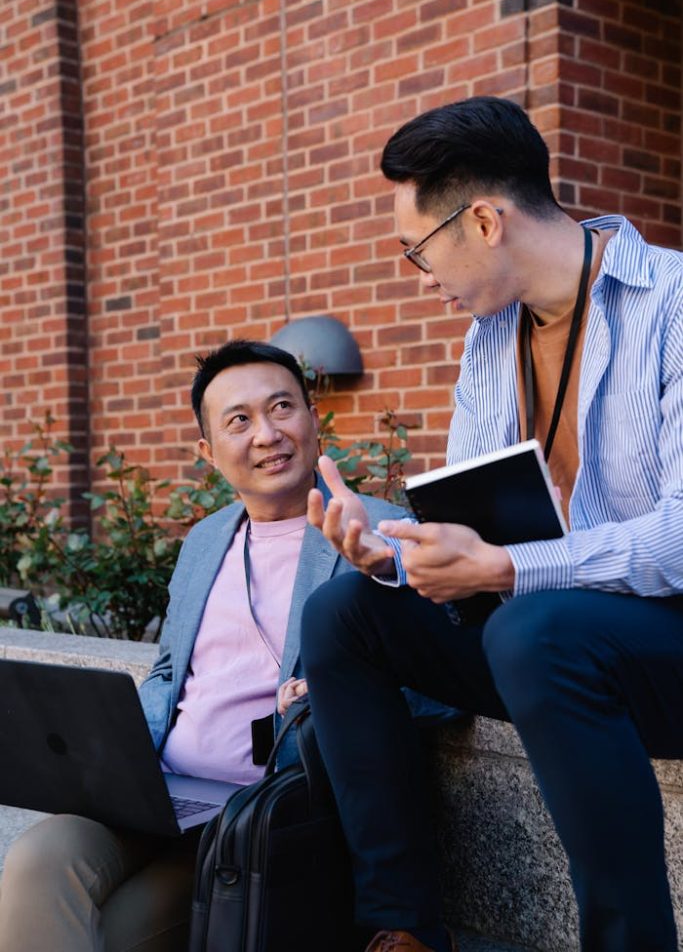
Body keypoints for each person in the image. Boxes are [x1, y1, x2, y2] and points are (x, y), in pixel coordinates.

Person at [300, 96, 683, 952]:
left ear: (482, 219)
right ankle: (400, 926)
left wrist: (508, 572)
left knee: (536, 626)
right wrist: (394, 555)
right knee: (344, 613)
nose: (416, 274)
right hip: (543, 643)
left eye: (417, 250)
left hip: (656, 648)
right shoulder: (490, 335)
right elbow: (470, 521)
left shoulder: (676, 305)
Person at [0, 339, 422, 952]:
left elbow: (444, 684)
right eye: (239, 420)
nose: (267, 434)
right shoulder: (204, 541)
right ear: (210, 453)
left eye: (283, 408)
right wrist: (118, 757)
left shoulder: (378, 532)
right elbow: (170, 670)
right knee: (37, 858)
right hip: (158, 793)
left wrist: (342, 693)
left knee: (116, 938)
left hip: (253, 817)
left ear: (313, 420)